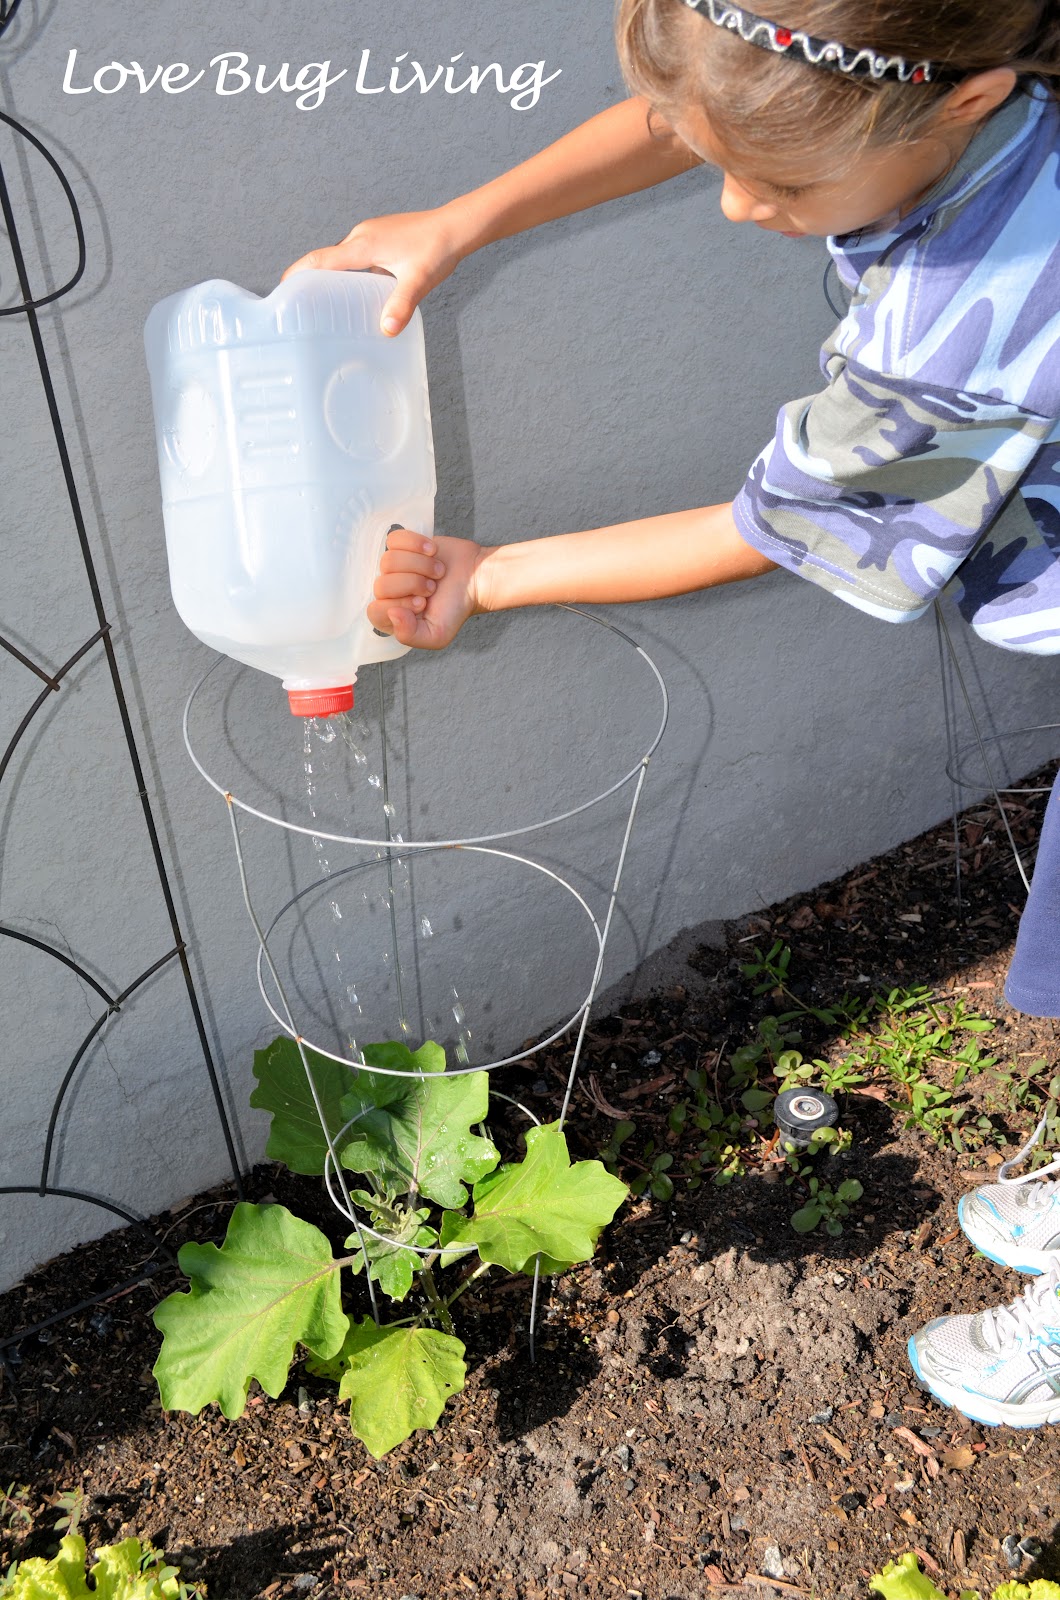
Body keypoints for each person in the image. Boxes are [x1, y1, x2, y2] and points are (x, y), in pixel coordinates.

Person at [286, 0, 1060, 1428]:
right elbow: (696, 110)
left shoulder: (976, 321)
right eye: (721, 156)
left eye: (781, 188)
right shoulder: (934, 73)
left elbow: (775, 523)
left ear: (963, 102)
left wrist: (489, 572)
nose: (734, 202)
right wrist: (462, 218)